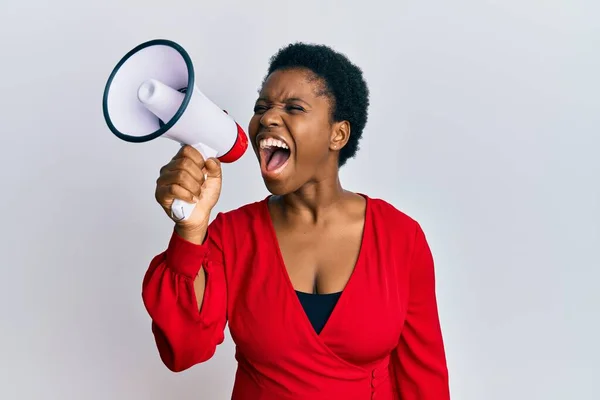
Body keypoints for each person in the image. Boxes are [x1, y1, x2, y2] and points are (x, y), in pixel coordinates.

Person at [142, 42, 450, 400]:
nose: (268, 118)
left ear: (339, 134)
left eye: (294, 107)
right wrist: (190, 231)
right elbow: (185, 350)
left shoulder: (400, 237)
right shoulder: (231, 235)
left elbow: (423, 381)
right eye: (262, 107)